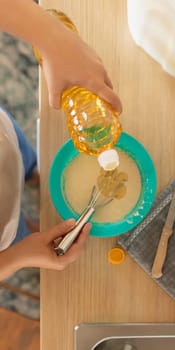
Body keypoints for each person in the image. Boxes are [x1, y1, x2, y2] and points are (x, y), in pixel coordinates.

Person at [0, 0, 122, 280]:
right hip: (3, 230)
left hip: (4, 140)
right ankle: (24, 218)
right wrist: (18, 255)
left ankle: (33, 174)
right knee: (18, 229)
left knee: (22, 156)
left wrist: (52, 37)